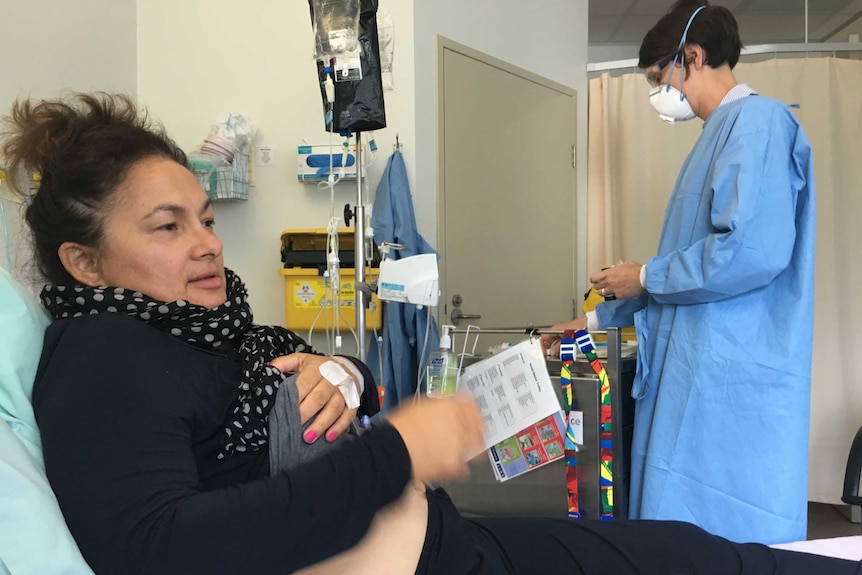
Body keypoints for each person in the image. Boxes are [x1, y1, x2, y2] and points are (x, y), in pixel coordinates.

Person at [3, 92, 853, 575]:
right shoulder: (103, 359)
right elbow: (160, 550)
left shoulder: (200, 326)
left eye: (202, 214)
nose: (208, 242)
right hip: (429, 558)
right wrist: (397, 448)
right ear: (82, 262)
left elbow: (312, 372)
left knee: (695, 553)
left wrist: (345, 376)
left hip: (442, 539)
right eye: (166, 226)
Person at [542, 0, 815, 545]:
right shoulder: (721, 134)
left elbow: (751, 253)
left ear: (691, 56)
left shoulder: (758, 123)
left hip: (728, 386)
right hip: (696, 375)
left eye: (657, 77)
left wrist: (643, 275)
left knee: (726, 535)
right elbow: (680, 277)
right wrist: (589, 324)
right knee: (679, 532)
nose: (659, 93)